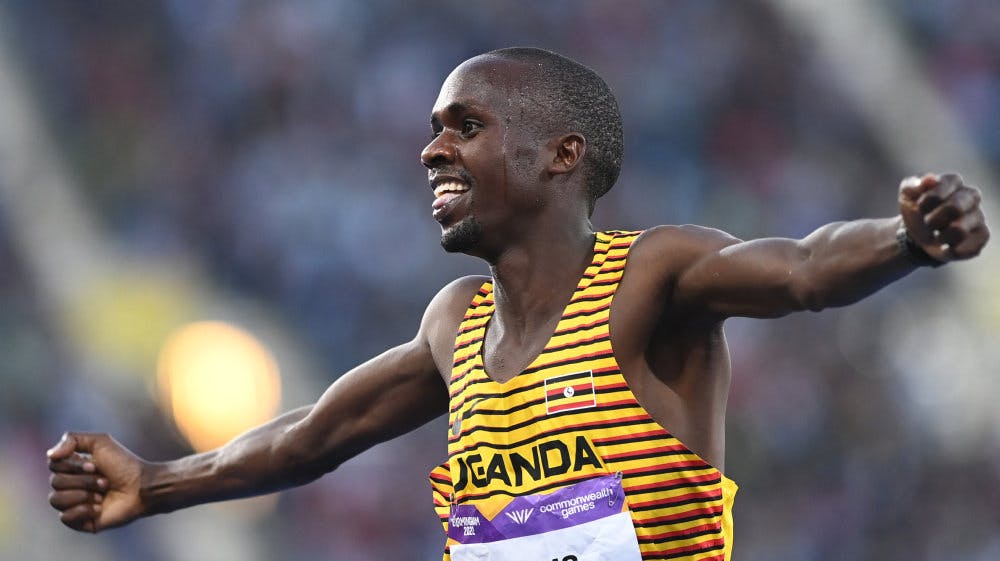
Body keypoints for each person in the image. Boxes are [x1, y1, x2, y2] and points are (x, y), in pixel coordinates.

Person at [47, 48, 989, 561]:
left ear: (561, 154)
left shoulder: (650, 278)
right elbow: (309, 437)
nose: (431, 150)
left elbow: (799, 271)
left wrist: (909, 238)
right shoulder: (456, 323)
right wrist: (158, 482)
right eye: (430, 130)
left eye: (466, 126)